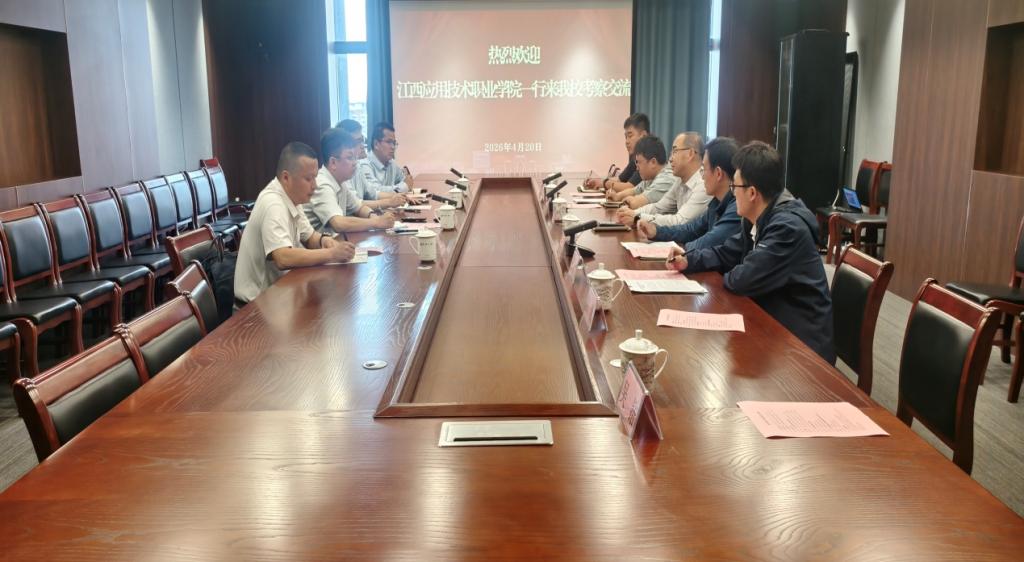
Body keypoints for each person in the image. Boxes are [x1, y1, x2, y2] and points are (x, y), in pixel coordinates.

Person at [665, 141, 835, 363]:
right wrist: (688, 260)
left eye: (735, 187)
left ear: (752, 192)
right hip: (773, 326)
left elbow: (742, 279)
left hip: (802, 348)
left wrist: (735, 268)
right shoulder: (756, 217)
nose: (732, 194)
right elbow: (727, 253)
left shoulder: (787, 229)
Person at [234, 142, 357, 305]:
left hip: (279, 295)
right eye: (308, 179)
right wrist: (331, 254)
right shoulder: (273, 203)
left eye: (315, 177)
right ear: (286, 178)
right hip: (254, 307)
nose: (315, 185)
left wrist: (324, 240)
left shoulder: (293, 197)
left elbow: (310, 237)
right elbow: (283, 257)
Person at [637, 137, 741, 251]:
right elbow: (691, 229)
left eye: (704, 169)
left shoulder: (736, 208)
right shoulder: (716, 203)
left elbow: (710, 241)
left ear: (718, 174)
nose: (702, 176)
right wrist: (656, 231)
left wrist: (682, 250)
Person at [304, 128, 398, 235]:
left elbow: (359, 207)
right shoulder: (322, 185)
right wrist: (376, 222)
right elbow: (338, 223)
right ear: (333, 162)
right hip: (317, 244)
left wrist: (373, 216)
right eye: (350, 158)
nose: (355, 163)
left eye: (355, 158)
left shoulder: (341, 182)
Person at [616, 132, 711, 227]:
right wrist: (632, 213)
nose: (670, 159)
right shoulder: (679, 180)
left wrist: (637, 217)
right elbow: (659, 207)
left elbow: (679, 221)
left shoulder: (703, 185)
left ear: (690, 154)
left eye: (675, 151)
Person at [606, 136, 676, 209]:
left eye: (639, 162)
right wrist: (617, 196)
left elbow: (636, 202)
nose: (637, 168)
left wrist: (629, 200)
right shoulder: (651, 176)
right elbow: (635, 190)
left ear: (653, 162)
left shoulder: (666, 179)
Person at [584, 113, 648, 192]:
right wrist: (598, 182)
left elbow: (629, 187)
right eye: (626, 137)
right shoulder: (636, 158)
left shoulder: (648, 158)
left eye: (630, 136)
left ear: (643, 136)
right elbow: (620, 179)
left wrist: (603, 183)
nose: (627, 141)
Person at [352, 122, 413, 200]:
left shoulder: (391, 163)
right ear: (376, 144)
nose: (393, 147)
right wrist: (404, 187)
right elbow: (375, 192)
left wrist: (405, 184)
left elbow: (406, 181)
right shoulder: (364, 165)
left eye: (394, 143)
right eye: (389, 142)